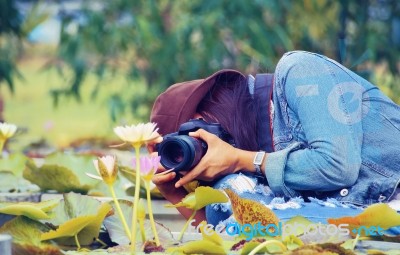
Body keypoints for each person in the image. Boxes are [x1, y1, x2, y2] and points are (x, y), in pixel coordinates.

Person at [148, 50, 400, 226]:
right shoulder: (241, 178)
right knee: (227, 203)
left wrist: (241, 159)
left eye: (194, 131)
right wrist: (174, 194)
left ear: (217, 103)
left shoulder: (300, 70)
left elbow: (338, 166)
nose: (199, 147)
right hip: (364, 223)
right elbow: (226, 234)